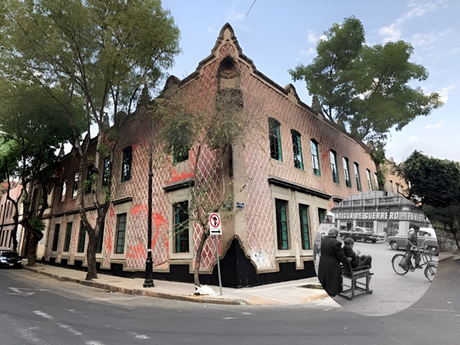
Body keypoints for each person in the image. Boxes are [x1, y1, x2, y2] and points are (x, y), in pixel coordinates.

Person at [318, 228, 350, 297]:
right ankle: (331, 293)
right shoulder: (336, 243)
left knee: (324, 278)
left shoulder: (323, 241)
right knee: (332, 279)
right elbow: (340, 256)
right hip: (332, 263)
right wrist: (346, 260)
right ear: (335, 234)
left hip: (323, 262)